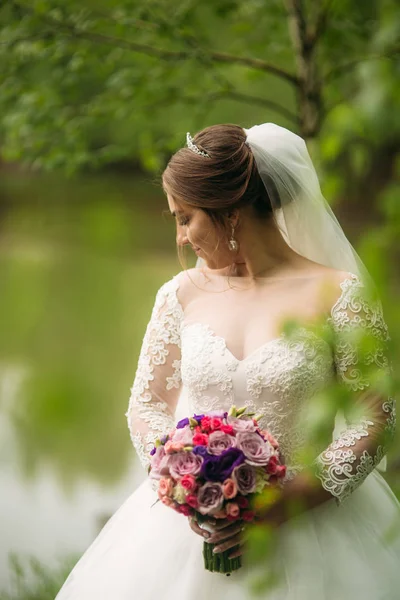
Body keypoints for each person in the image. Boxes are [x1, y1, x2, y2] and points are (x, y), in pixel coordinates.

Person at [55, 123, 400, 599]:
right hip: (183, 531)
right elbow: (147, 403)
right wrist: (184, 479)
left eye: (185, 218)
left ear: (230, 213)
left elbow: (376, 417)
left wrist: (284, 504)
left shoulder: (340, 294)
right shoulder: (179, 295)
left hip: (310, 527)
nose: (180, 237)